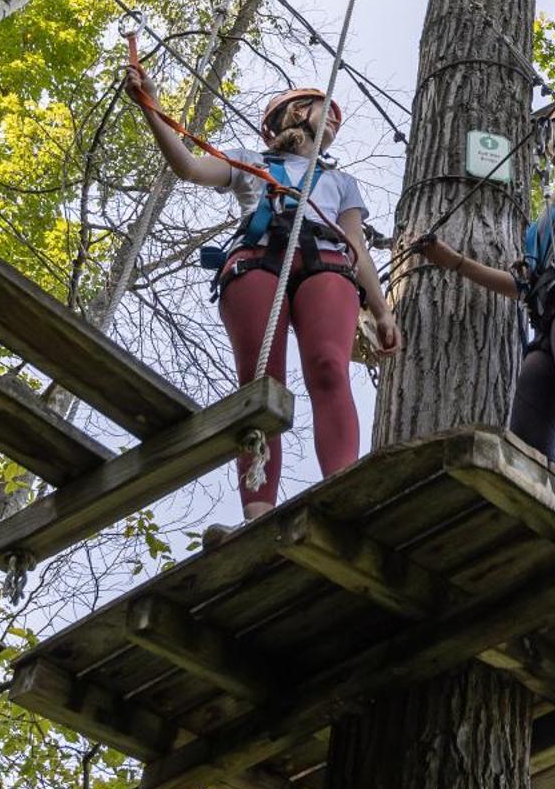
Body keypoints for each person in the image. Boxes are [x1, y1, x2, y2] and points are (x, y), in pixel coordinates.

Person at [123, 71, 400, 523]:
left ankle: (342, 490)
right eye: (323, 111)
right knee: (260, 385)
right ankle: (258, 511)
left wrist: (383, 310)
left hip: (325, 264)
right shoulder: (248, 162)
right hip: (257, 261)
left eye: (336, 119)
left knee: (330, 369)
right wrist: (150, 108)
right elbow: (189, 167)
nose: (332, 122)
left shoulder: (340, 183)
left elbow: (357, 248)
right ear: (293, 114)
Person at [414, 92, 555, 506]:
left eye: (554, 129)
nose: (549, 141)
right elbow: (521, 286)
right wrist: (453, 261)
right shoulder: (548, 215)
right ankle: (536, 517)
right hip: (550, 316)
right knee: (526, 439)